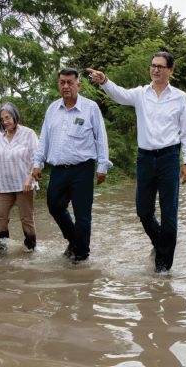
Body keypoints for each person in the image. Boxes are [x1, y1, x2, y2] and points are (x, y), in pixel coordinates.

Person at [87, 51, 186, 273]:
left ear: (170, 71)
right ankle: (161, 243)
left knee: (169, 213)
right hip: (145, 158)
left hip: (169, 157)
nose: (155, 69)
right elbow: (119, 95)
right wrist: (104, 81)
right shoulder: (140, 94)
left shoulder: (180, 97)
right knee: (143, 212)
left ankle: (163, 268)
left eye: (161, 67)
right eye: (153, 65)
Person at [32, 68, 112, 264]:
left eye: (69, 82)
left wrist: (102, 166)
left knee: (83, 215)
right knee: (54, 206)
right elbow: (44, 138)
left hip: (82, 170)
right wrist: (37, 163)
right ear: (58, 85)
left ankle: (81, 256)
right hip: (58, 170)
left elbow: (101, 137)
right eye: (62, 82)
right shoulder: (52, 109)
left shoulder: (90, 108)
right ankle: (74, 241)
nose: (65, 86)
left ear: (78, 85)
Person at [0, 102, 39, 254]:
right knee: (0, 218)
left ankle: (31, 249)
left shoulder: (28, 133)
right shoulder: (0, 136)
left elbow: (37, 159)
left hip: (24, 185)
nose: (5, 122)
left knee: (26, 219)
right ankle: (1, 251)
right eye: (2, 119)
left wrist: (30, 178)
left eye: (8, 117)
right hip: (4, 185)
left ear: (15, 116)